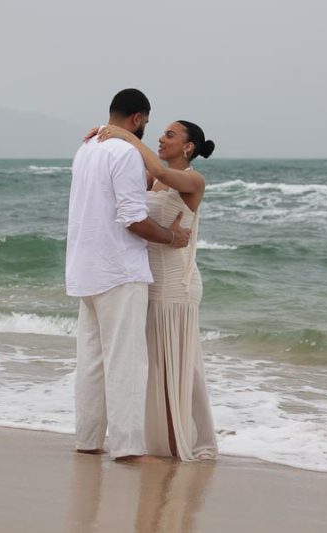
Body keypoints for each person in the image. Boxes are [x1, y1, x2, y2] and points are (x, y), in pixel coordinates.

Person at [66, 88, 191, 463]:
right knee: (126, 361)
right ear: (137, 118)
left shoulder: (85, 148)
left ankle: (87, 439)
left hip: (85, 267)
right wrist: (173, 237)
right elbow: (133, 219)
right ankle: (127, 446)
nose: (146, 132)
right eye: (147, 124)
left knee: (91, 359)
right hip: (119, 269)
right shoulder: (124, 152)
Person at [89, 119, 219, 461]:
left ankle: (188, 439)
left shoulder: (192, 180)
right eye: (161, 133)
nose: (162, 138)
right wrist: (102, 141)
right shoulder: (151, 179)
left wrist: (126, 136)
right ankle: (154, 438)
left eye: (170, 135)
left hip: (178, 284)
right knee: (152, 362)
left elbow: (160, 171)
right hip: (147, 282)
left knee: (181, 363)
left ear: (188, 147)